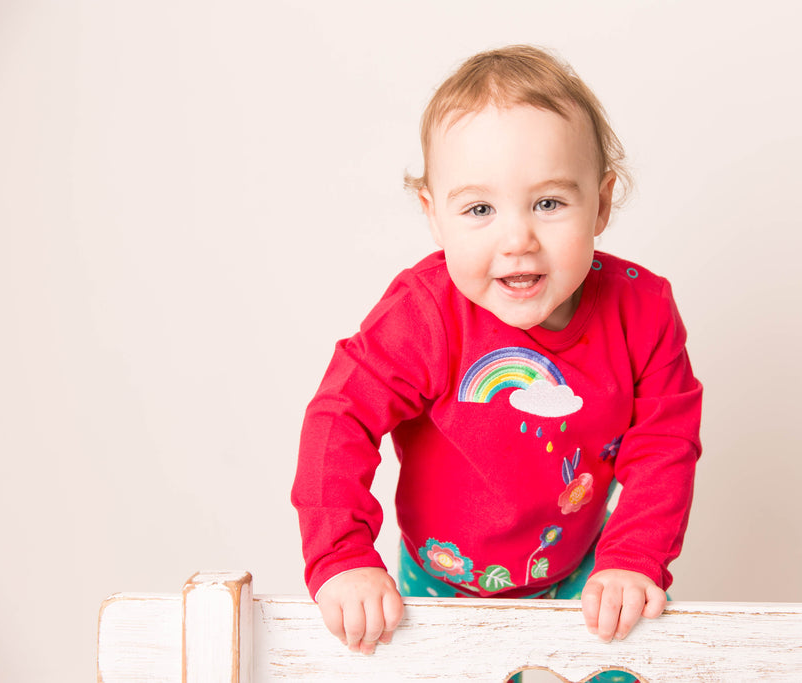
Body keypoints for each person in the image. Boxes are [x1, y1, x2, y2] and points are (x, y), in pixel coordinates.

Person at [291, 45, 703, 673]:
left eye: (549, 203)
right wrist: (341, 556)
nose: (518, 240)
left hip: (588, 569)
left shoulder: (641, 310)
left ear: (602, 203)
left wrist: (632, 556)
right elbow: (338, 419)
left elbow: (665, 443)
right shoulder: (424, 314)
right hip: (438, 583)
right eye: (480, 209)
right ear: (434, 216)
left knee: (629, 661)